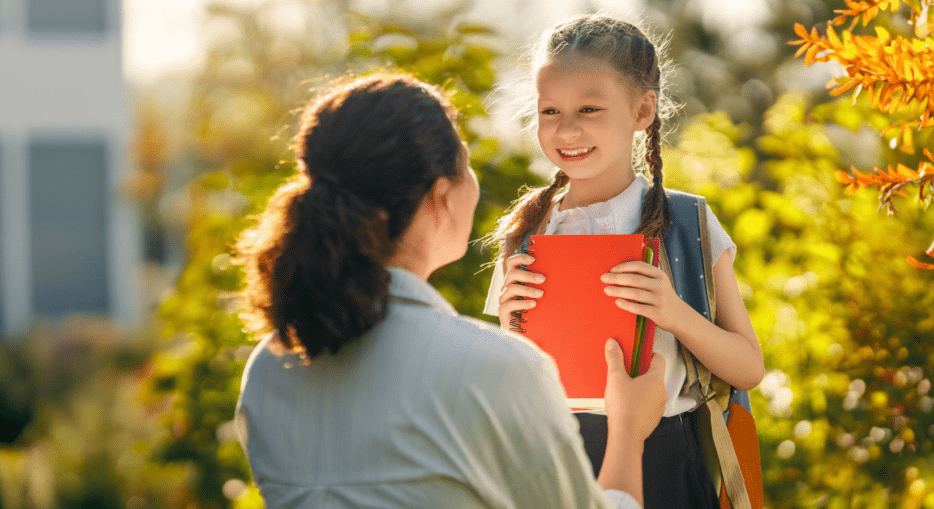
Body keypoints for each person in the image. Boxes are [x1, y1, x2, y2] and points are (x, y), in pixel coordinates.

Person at [234, 72, 668, 509]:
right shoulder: (493, 369)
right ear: (441, 196)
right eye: (467, 162)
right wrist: (628, 431)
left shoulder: (269, 369)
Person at [482, 15, 766, 508]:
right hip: (550, 454)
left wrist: (674, 312)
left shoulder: (686, 221)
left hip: (666, 457)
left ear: (642, 110)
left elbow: (748, 368)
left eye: (589, 108)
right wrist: (511, 328)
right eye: (550, 110)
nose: (566, 129)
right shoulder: (526, 231)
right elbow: (507, 377)